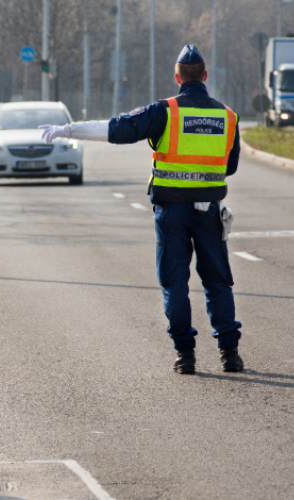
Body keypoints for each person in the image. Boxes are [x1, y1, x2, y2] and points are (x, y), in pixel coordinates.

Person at [40, 45, 243, 374]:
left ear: (177, 78)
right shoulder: (229, 116)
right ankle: (230, 354)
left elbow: (116, 128)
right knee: (217, 282)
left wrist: (69, 129)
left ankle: (185, 356)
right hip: (209, 213)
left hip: (171, 213)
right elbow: (229, 167)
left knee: (174, 283)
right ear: (205, 77)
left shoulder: (166, 111)